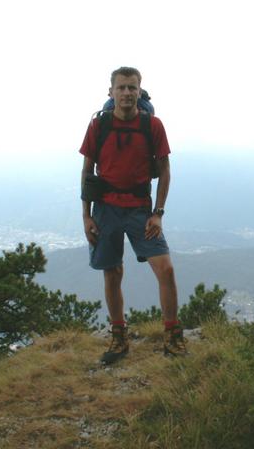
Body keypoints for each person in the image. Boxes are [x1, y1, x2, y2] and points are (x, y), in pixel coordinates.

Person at [79, 66, 186, 364]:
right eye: (121, 87)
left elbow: (164, 170)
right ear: (111, 92)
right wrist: (86, 216)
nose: (126, 93)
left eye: (132, 88)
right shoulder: (98, 126)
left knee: (165, 269)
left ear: (139, 91)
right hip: (106, 209)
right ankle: (119, 336)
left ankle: (172, 335)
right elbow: (87, 171)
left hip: (140, 209)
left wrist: (158, 213)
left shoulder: (152, 125)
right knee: (112, 272)